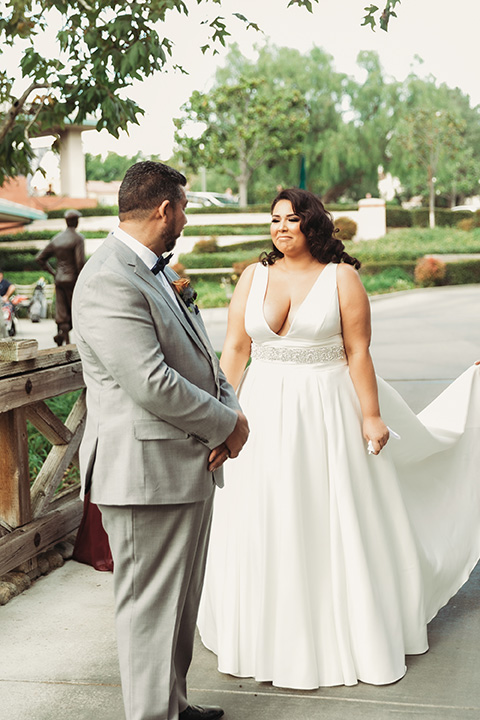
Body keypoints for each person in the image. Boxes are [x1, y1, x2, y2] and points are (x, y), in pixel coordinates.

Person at [197, 187, 480, 690]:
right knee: (264, 513)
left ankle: (338, 632)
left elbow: (358, 352)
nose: (281, 228)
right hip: (260, 411)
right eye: (275, 219)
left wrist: (371, 417)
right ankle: (265, 634)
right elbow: (236, 350)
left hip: (325, 412)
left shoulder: (342, 278)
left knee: (325, 515)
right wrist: (224, 411)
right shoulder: (253, 276)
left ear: (314, 225)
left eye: (292, 220)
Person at [71, 161, 249, 720]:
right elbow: (151, 382)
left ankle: (172, 703)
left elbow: (202, 353)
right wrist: (226, 425)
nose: (186, 219)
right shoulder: (108, 277)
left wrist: (230, 408)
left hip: (184, 464)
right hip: (144, 473)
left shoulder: (154, 270)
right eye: (185, 208)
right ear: (165, 209)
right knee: (149, 610)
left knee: (179, 606)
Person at [36, 208, 85, 346]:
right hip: (72, 279)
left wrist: (53, 273)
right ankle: (69, 338)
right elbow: (80, 262)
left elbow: (40, 258)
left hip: (59, 278)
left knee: (61, 309)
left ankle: (63, 336)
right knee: (73, 308)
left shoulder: (57, 239)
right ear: (75, 222)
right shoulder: (78, 238)